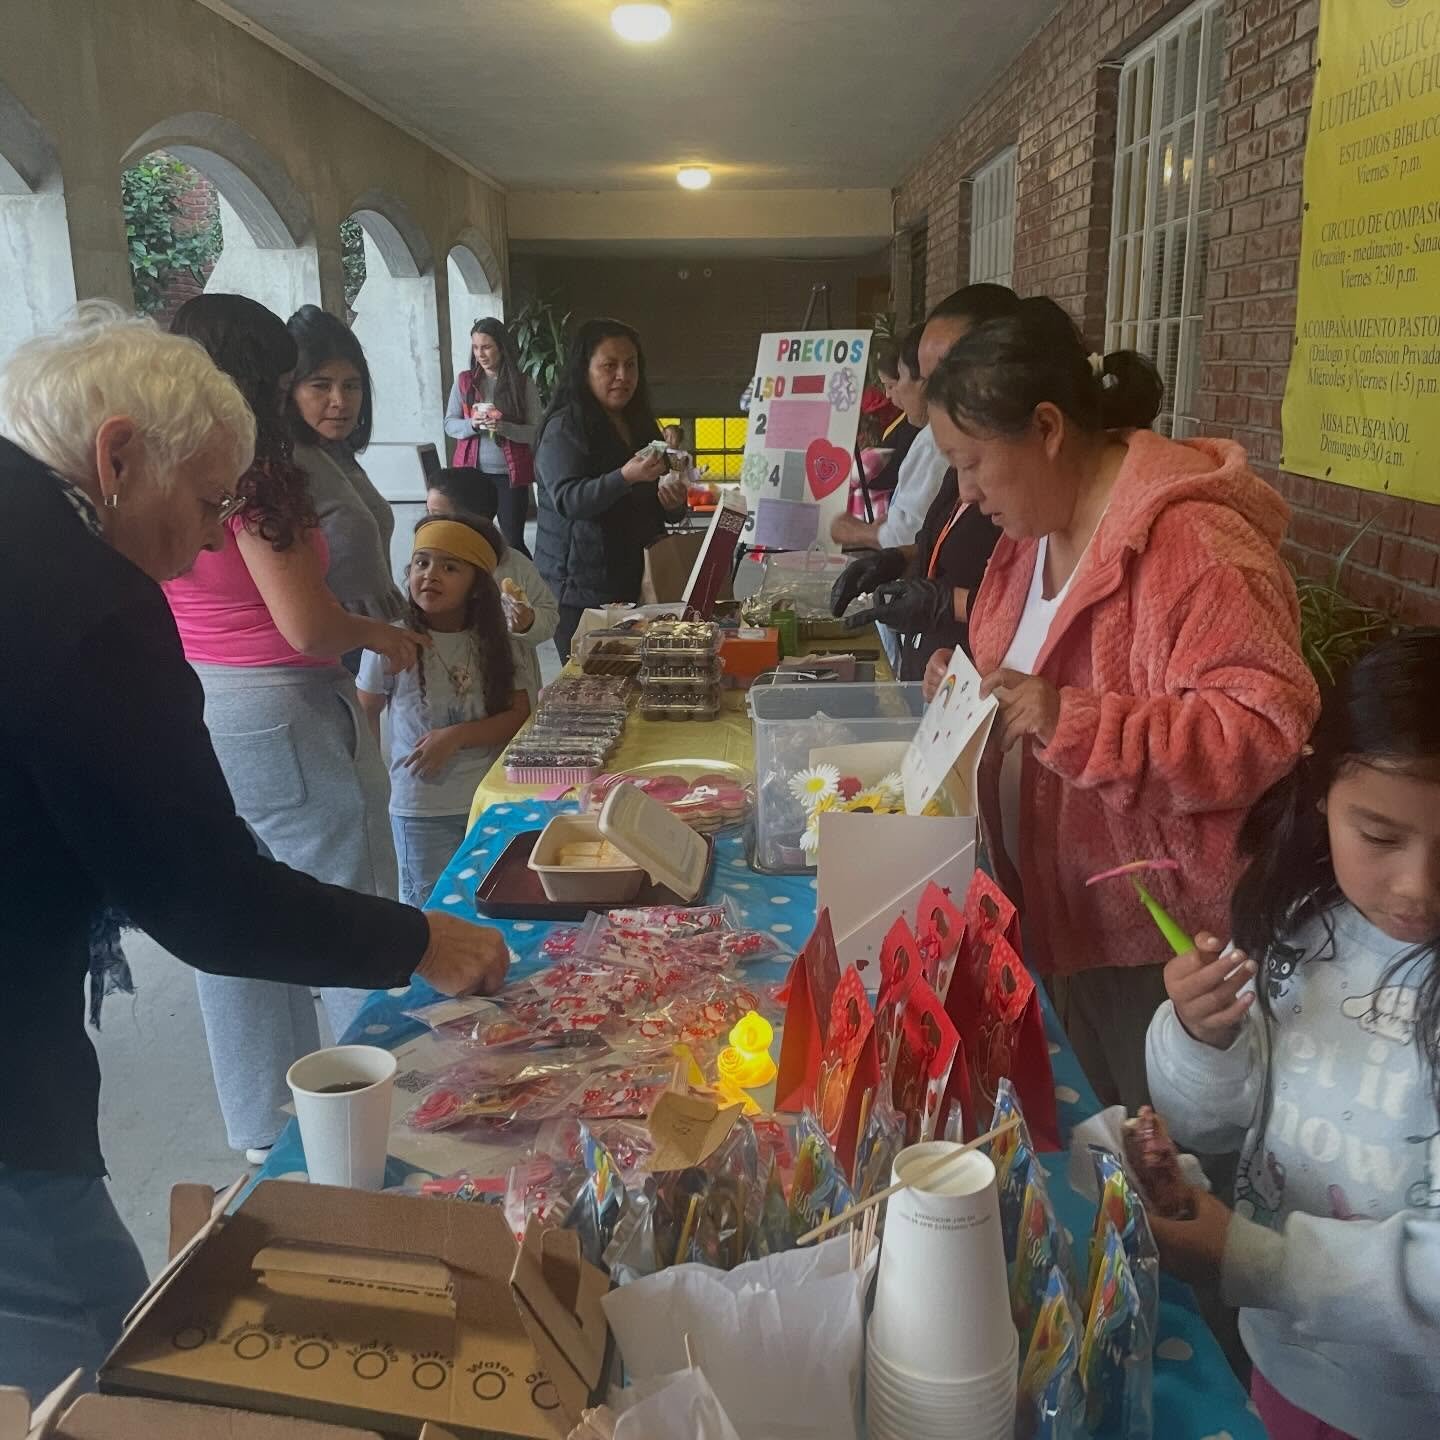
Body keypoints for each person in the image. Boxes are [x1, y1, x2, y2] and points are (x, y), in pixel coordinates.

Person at [0, 304, 507, 1402]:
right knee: (90, 1352)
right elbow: (206, 900)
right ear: (118, 456)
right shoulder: (84, 594)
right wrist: (418, 938)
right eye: (201, 504)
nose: (204, 544)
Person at [924, 296, 1319, 1109]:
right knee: (1093, 1135)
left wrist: (1071, 721)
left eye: (972, 462)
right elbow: (1024, 682)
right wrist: (967, 694)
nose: (964, 492)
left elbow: (1264, 727)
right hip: (1063, 915)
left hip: (1163, 947)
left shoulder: (1194, 545)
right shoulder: (1030, 534)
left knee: (1156, 1152)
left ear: (1046, 427)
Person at [1147, 631, 1440, 1440]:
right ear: (1319, 789)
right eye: (1379, 837)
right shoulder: (1303, 928)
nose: (1417, 888)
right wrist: (1202, 1037)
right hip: (1284, 1359)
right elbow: (1215, 1125)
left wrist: (1254, 1258)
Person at [163, 294, 424, 1163]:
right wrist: (379, 633)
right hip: (280, 703)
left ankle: (260, 1125)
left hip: (205, 698)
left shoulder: (164, 468)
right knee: (342, 905)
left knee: (233, 912)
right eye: (287, 382)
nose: (297, 399)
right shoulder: (253, 475)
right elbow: (307, 625)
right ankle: (376, 1120)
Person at [830, 285, 1020, 678]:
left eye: (948, 379)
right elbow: (942, 541)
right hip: (945, 675)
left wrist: (951, 602)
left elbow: (1030, 610)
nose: (968, 490)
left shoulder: (1026, 492)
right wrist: (901, 558)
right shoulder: (954, 452)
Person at [358, 517, 530, 907]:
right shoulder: (392, 641)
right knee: (431, 908)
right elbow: (366, 709)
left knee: (487, 900)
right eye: (422, 562)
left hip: (485, 800)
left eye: (450, 567)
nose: (430, 574)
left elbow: (517, 714)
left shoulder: (496, 643)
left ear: (477, 586)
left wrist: (457, 737)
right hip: (420, 809)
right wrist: (372, 786)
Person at [534, 318, 689, 663]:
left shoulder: (639, 422)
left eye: (630, 365)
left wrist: (674, 504)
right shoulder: (565, 426)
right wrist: (624, 476)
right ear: (584, 370)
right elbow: (568, 500)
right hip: (581, 588)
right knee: (591, 681)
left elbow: (655, 498)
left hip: (636, 576)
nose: (623, 375)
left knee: (637, 675)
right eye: (609, 365)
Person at [286, 304, 403, 670]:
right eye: (320, 385)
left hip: (372, 646)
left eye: (351, 385)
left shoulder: (335, 452)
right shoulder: (287, 464)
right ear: (289, 390)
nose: (340, 401)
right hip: (333, 652)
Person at [425, 468, 558, 710]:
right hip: (448, 684)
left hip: (509, 688)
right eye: (428, 514)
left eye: (438, 516)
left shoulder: (512, 565)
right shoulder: (427, 567)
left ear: (477, 520)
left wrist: (528, 623)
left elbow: (549, 616)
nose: (430, 524)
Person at [829, 324, 945, 554]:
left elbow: (908, 535)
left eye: (897, 380)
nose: (891, 394)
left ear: (924, 381)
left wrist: (857, 531)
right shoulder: (926, 435)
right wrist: (891, 519)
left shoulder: (935, 441)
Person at [443, 317, 541, 556]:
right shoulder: (464, 381)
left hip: (510, 476)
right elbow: (449, 424)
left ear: (501, 347)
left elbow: (536, 431)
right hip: (472, 473)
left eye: (486, 347)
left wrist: (504, 427)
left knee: (513, 542)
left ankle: (524, 580)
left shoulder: (523, 384)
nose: (480, 354)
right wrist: (473, 424)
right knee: (473, 539)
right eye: (476, 347)